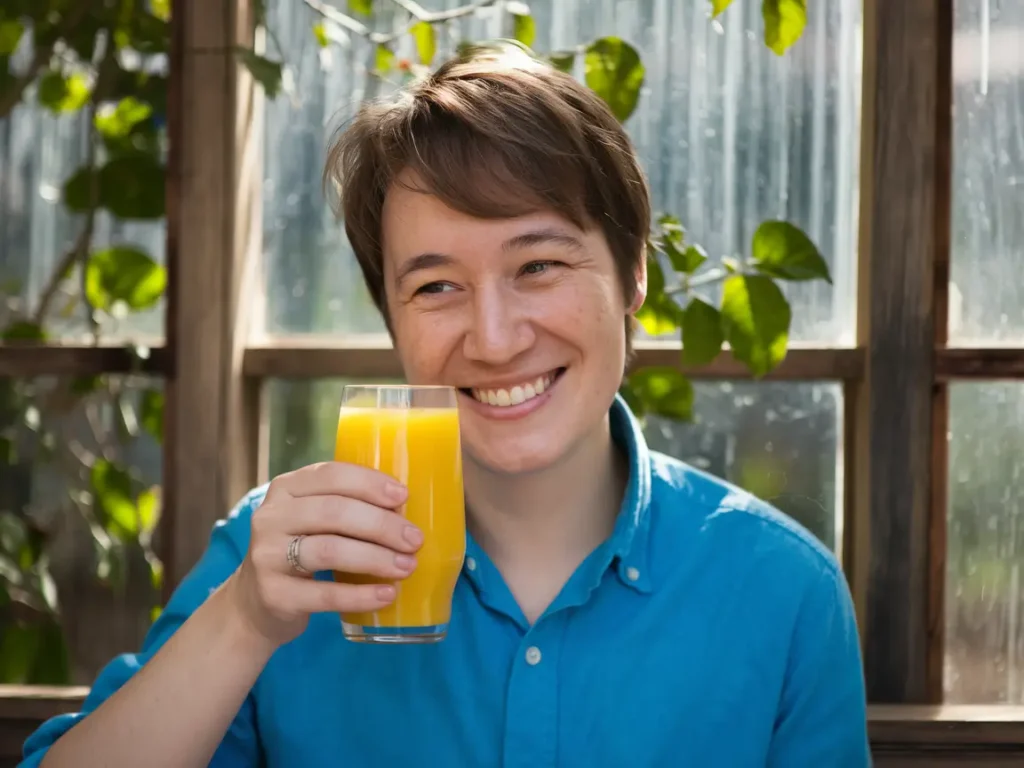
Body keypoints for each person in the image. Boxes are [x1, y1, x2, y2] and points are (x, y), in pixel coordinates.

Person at [23, 44, 870, 767]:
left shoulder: (782, 594)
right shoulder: (282, 558)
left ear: (633, 276)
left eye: (538, 265)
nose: (495, 339)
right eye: (436, 286)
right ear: (391, 313)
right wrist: (243, 619)